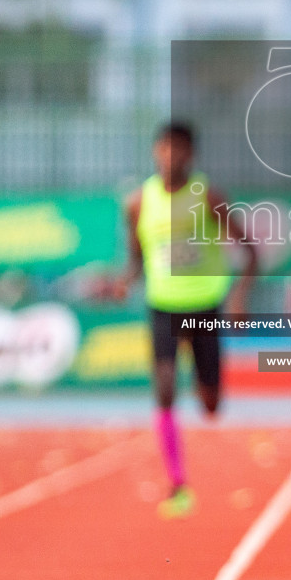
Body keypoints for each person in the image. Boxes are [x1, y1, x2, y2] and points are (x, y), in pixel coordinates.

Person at [111, 123, 256, 519]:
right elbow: (136, 259)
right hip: (163, 307)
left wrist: (239, 298)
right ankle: (177, 481)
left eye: (178, 149)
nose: (169, 156)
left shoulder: (208, 197)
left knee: (210, 404)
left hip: (205, 305)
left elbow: (250, 250)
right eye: (163, 148)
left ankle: (202, 376)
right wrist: (125, 282)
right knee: (163, 388)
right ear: (155, 152)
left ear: (190, 154)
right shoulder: (138, 204)